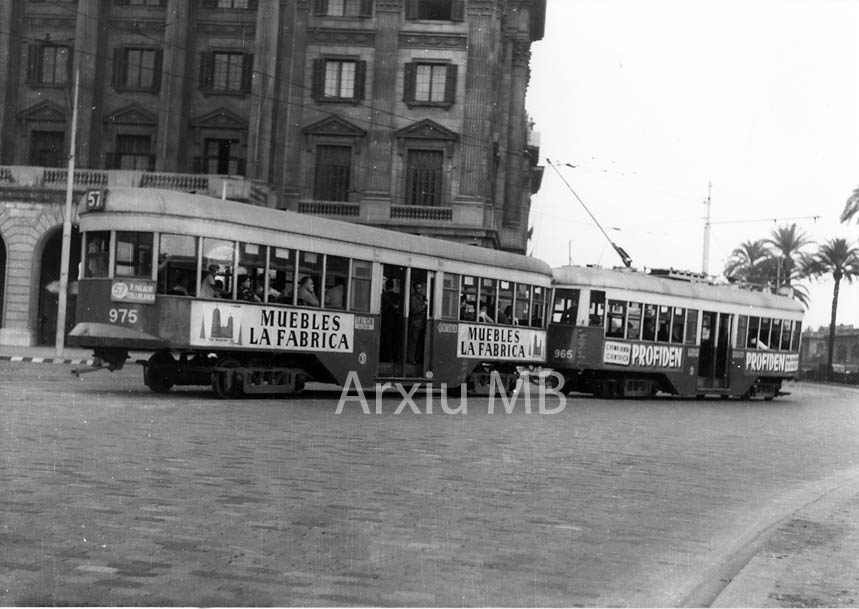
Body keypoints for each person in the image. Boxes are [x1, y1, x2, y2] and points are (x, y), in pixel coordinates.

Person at [406, 281, 426, 364]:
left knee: (419, 342)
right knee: (413, 342)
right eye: (418, 288)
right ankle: (411, 358)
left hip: (421, 323)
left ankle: (417, 358)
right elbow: (414, 310)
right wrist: (423, 306)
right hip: (415, 322)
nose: (420, 290)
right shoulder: (413, 298)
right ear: (414, 289)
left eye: (421, 288)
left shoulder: (423, 297)